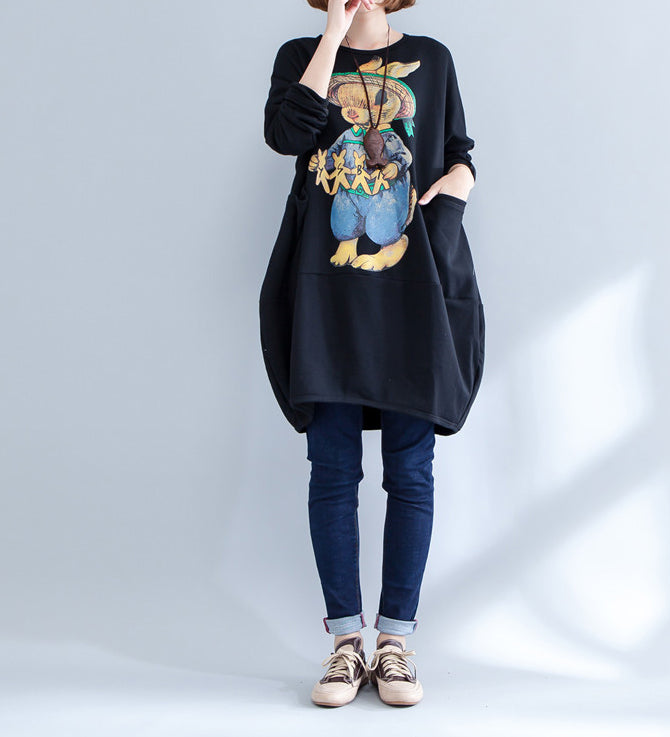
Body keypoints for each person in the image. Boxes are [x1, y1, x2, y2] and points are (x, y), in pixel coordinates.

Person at [261, 0, 483, 707]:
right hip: (326, 291)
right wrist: (334, 34)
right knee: (332, 468)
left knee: (410, 469)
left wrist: (451, 197)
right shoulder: (301, 57)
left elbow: (460, 154)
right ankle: (344, 645)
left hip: (411, 290)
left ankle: (395, 644)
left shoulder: (433, 58)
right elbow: (287, 135)